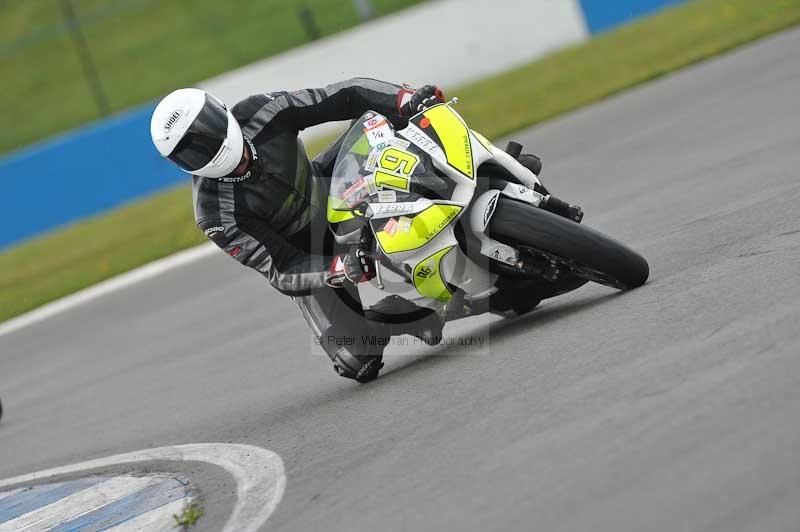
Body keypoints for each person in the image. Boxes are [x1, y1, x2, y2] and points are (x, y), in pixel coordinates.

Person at [150, 80, 448, 383]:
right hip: (307, 254)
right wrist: (341, 268)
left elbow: (346, 96)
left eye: (210, 129)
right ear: (181, 165)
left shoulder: (262, 112)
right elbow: (282, 269)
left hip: (332, 185)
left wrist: (405, 100)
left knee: (387, 118)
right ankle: (397, 314)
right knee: (356, 359)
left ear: (220, 109)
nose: (212, 146)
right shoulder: (214, 212)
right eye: (194, 151)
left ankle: (458, 177)